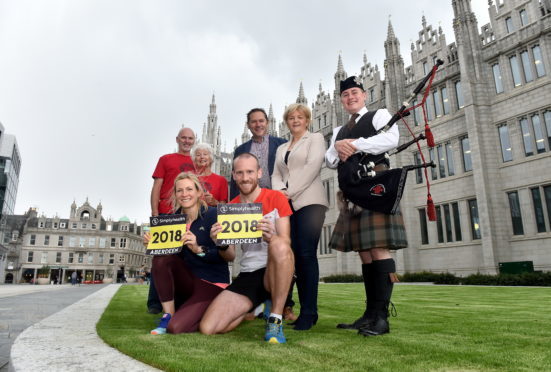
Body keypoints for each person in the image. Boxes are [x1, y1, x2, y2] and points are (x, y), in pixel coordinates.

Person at [325, 76, 408, 336]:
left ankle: (382, 318)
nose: (350, 97)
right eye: (345, 94)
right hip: (352, 190)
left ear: (364, 95)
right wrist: (338, 146)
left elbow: (391, 139)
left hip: (375, 186)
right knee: (364, 251)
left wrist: (355, 145)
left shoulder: (379, 115)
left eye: (354, 93)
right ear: (341, 100)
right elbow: (329, 160)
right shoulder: (339, 130)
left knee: (379, 249)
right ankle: (370, 314)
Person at [200, 153, 294, 344]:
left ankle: (275, 318)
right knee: (208, 328)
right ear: (233, 175)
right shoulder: (230, 208)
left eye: (250, 172)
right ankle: (252, 308)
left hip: (274, 270)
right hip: (249, 274)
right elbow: (230, 256)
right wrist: (221, 243)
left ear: (259, 173)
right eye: (240, 173)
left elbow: (286, 243)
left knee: (278, 244)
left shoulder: (276, 198)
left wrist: (270, 237)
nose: (245, 178)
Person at [146, 172, 235, 335]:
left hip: (211, 283)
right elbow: (167, 263)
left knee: (176, 328)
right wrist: (153, 243)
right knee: (160, 257)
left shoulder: (215, 214)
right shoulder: (171, 219)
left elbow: (231, 256)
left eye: (189, 189)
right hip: (187, 283)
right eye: (179, 190)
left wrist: (198, 249)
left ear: (199, 192)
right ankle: (168, 315)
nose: (184, 194)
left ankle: (221, 312)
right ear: (175, 194)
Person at [271, 103, 328, 330]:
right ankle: (290, 308)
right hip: (286, 205)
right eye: (291, 117)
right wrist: (279, 194)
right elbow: (275, 174)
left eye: (300, 117)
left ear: (307, 120)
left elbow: (313, 167)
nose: (295, 120)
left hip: (310, 202)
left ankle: (308, 312)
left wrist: (289, 192)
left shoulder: (315, 139)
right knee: (291, 257)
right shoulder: (281, 147)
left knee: (306, 255)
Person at [148, 127, 196, 314]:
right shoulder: (165, 159)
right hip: (166, 213)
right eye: (183, 138)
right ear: (177, 139)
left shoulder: (196, 161)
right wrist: (154, 211)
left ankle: (180, 300)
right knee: (160, 257)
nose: (186, 141)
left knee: (184, 256)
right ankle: (154, 302)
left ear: (194, 141)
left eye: (190, 138)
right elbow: (157, 186)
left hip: (187, 214)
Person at [230, 108, 286, 200]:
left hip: (278, 198)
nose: (258, 125)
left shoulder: (282, 144)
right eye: (254, 122)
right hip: (250, 202)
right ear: (248, 125)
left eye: (261, 121)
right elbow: (235, 180)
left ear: (267, 122)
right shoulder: (240, 150)